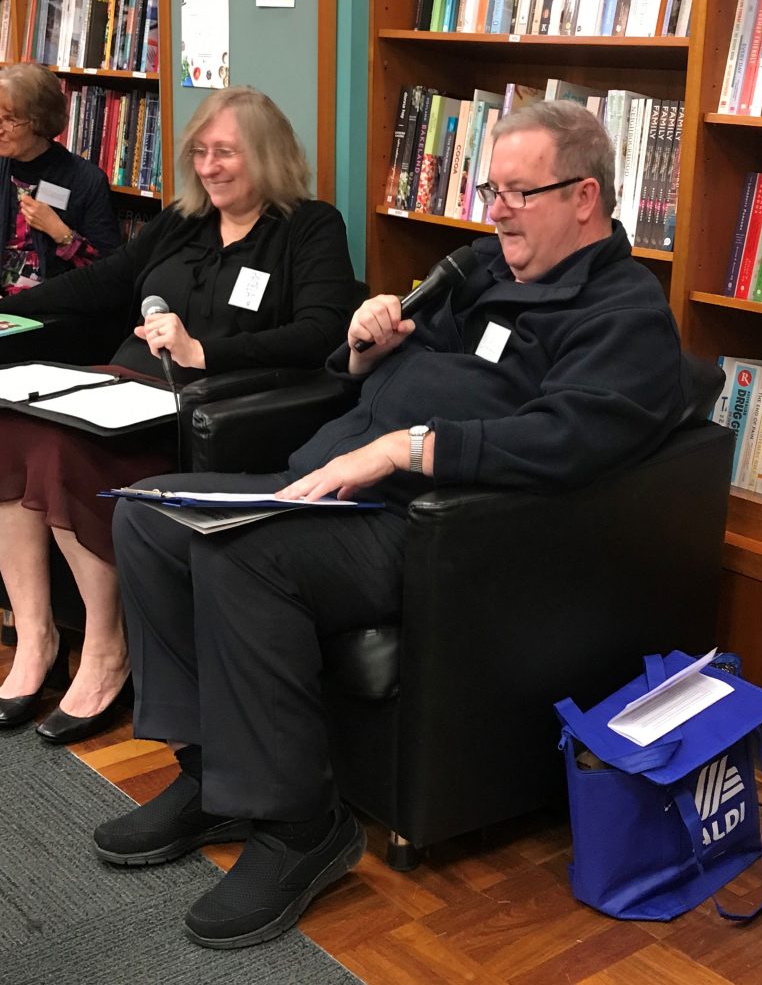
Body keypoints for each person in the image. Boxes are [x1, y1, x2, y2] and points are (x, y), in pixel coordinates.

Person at [99, 100, 688, 949]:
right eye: (493, 188)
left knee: (241, 557)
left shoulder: (623, 316)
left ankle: (302, 828)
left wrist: (406, 448)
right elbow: (394, 356)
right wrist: (372, 342)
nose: (495, 209)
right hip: (328, 476)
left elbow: (569, 438)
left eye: (518, 193)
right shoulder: (486, 269)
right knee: (152, 517)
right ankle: (212, 778)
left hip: (430, 526)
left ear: (585, 197)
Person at [0, 85, 357, 745]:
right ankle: (37, 638)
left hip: (197, 409)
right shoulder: (184, 220)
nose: (210, 166)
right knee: (10, 427)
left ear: (270, 155)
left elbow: (321, 332)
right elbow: (103, 282)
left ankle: (108, 654)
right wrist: (14, 309)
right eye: (200, 151)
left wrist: (204, 352)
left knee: (56, 451)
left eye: (227, 152)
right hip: (116, 385)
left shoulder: (310, 227)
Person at [0, 62, 121, 297]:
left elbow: (111, 271)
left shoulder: (86, 180)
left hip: (52, 311)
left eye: (9, 120)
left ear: (38, 121)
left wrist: (61, 233)